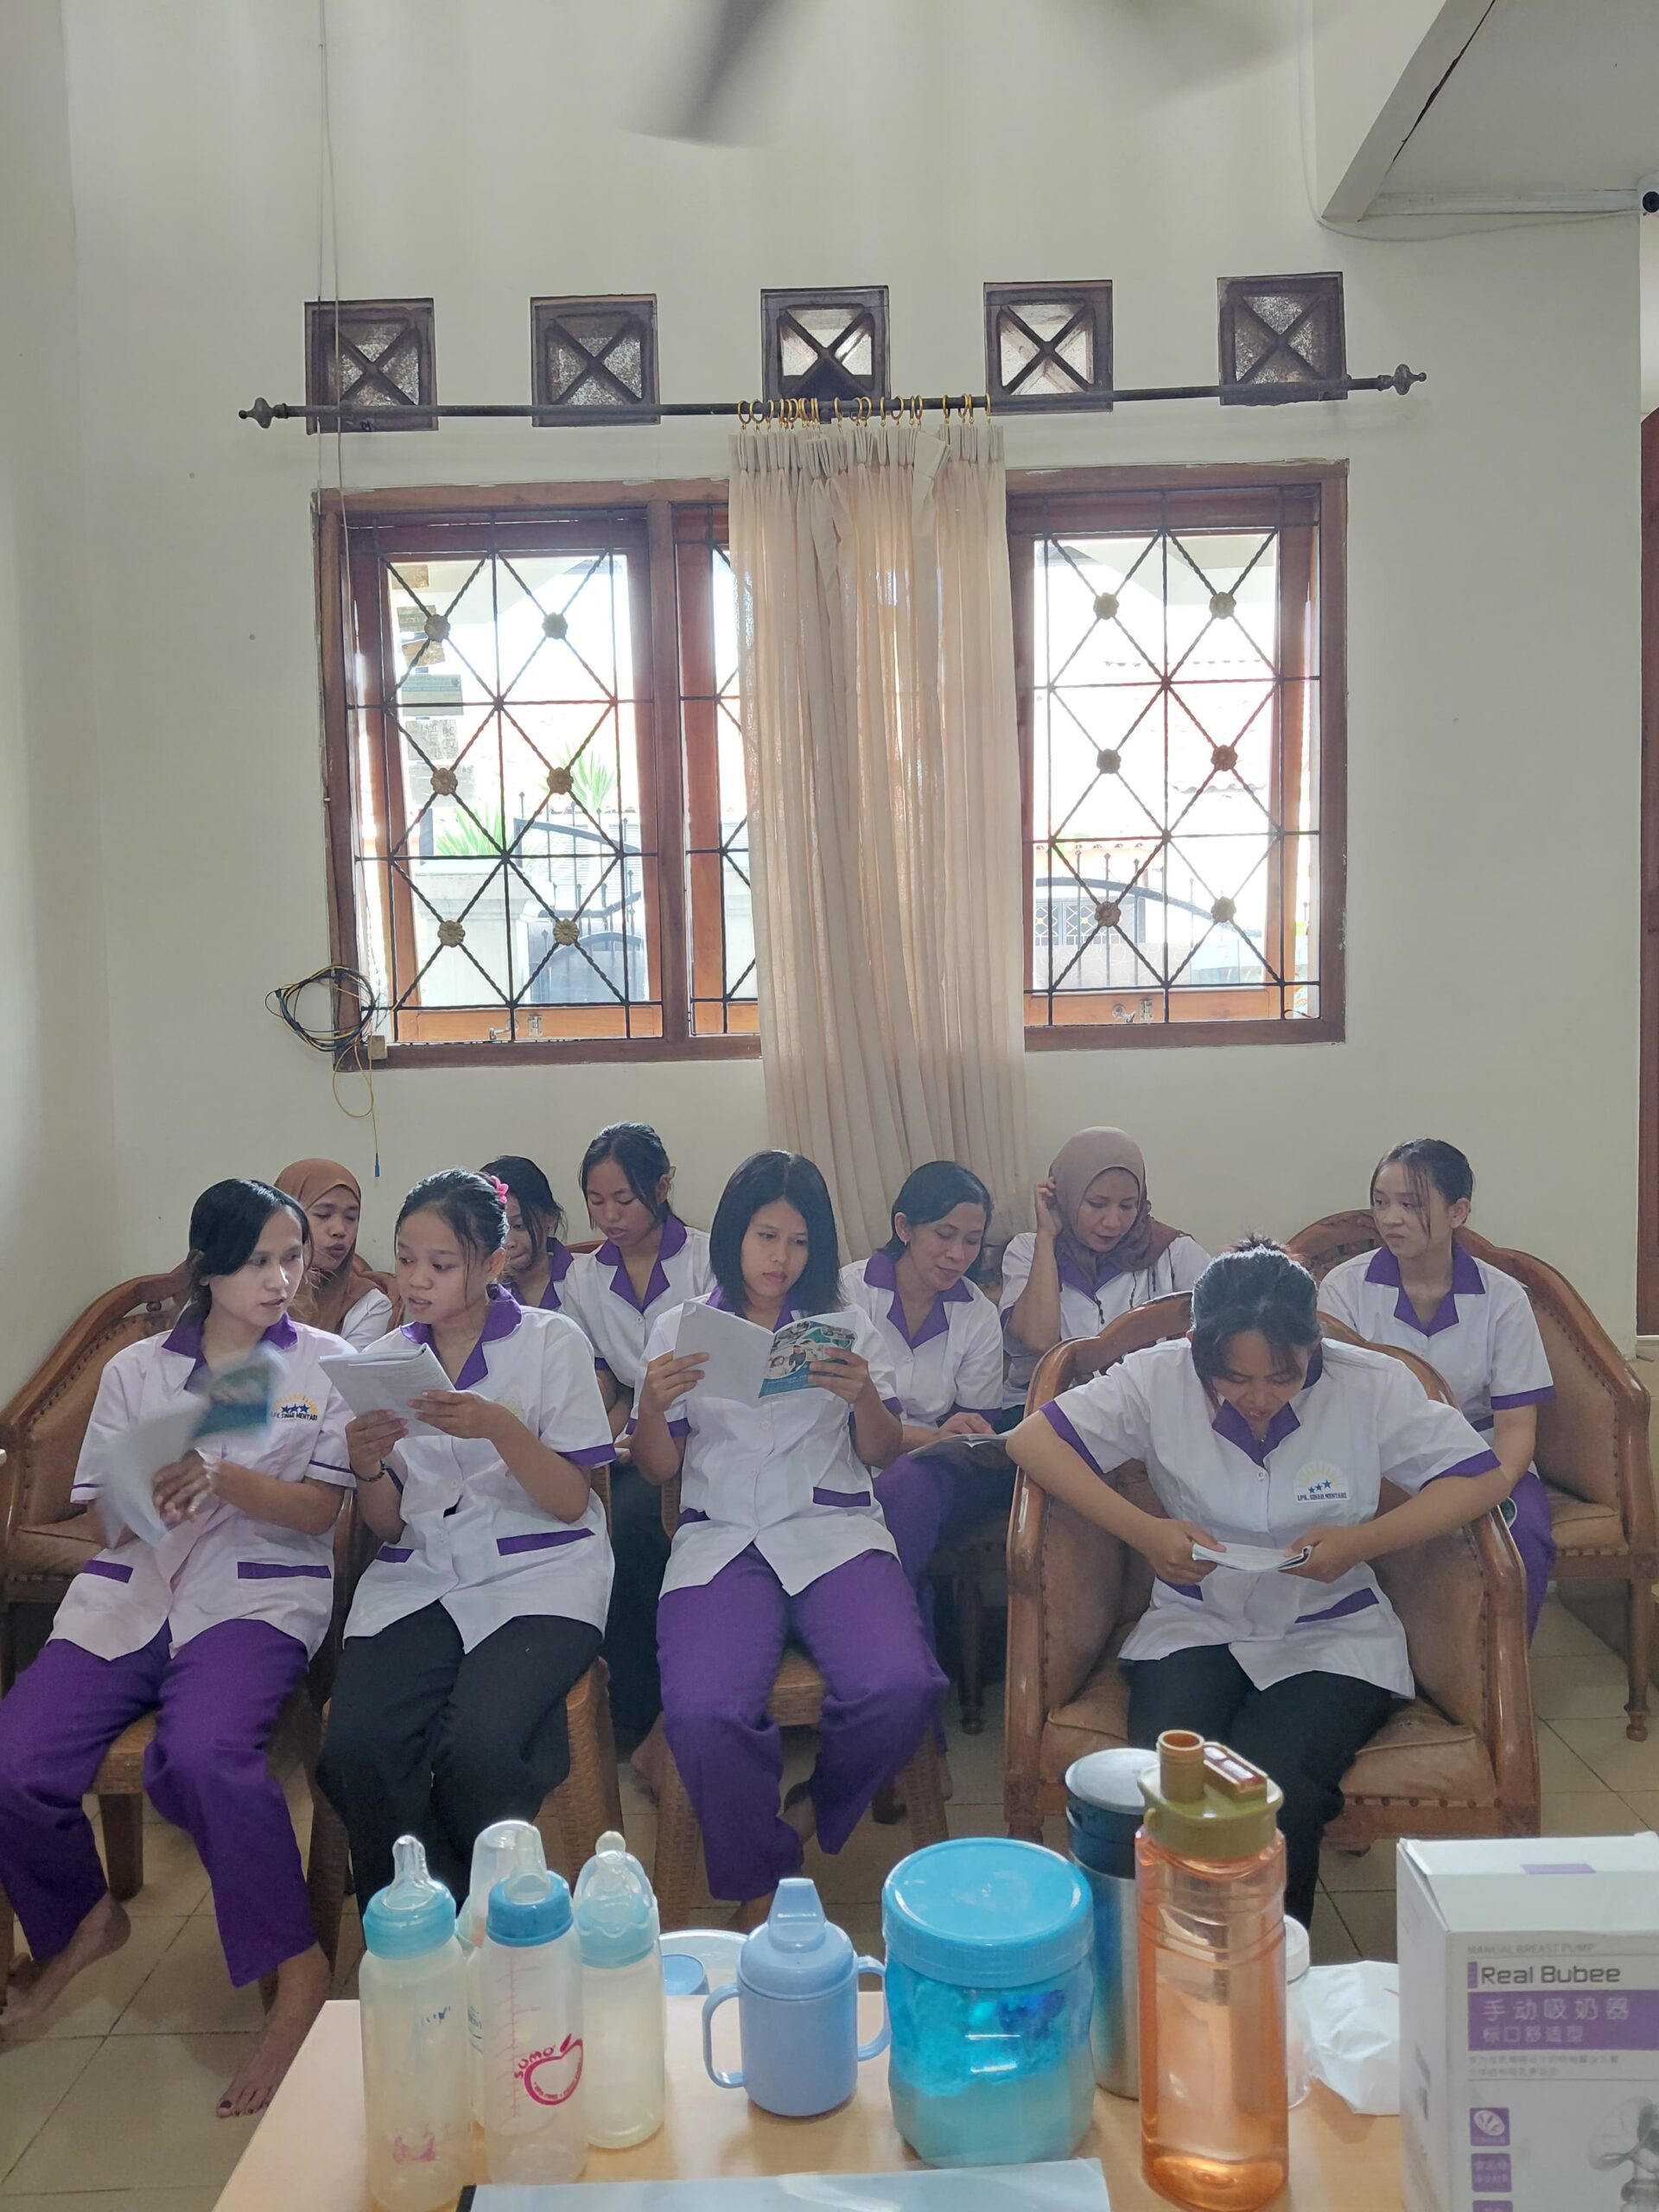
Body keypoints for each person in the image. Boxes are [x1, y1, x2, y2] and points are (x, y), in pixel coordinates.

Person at [1004, 1241, 1508, 1925]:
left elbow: (1479, 1477)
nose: (1260, 1397)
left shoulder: (1370, 1385)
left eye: (1283, 1375)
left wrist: (1361, 1543)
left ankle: (1270, 1966)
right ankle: (1172, 1954)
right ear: (1197, 1350)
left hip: (1330, 1629)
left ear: (1314, 1345)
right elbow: (1031, 1442)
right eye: (1235, 1379)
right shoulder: (1157, 1377)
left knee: (1277, 1790)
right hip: (1197, 1620)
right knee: (1174, 1780)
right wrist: (1145, 1532)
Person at [0, 1179, 353, 2116]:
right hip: (133, 1592)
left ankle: (297, 1969)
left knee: (202, 1757)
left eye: (291, 1257)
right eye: (259, 1262)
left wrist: (223, 1477)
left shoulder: (325, 1364)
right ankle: (83, 1919)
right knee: (13, 1761)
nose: (282, 1279)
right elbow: (104, 1521)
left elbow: (320, 1511)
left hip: (255, 1591)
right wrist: (142, 1491)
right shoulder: (137, 1370)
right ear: (207, 1269)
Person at [630, 1150, 945, 1926]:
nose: (781, 1259)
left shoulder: (847, 1326)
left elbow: (881, 1452)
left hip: (831, 1530)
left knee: (902, 1688)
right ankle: (762, 1879)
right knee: (703, 1713)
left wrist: (864, 1396)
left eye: (799, 1242)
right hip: (723, 1539)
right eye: (766, 1237)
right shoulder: (681, 1328)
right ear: (735, 1236)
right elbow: (657, 1466)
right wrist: (651, 1406)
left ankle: (813, 1804)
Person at [316, 1170, 614, 1911]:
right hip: (422, 1574)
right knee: (358, 1748)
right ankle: (423, 1925)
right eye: (405, 1258)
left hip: (541, 1576)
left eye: (441, 1264)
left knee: (479, 1748)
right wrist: (367, 1464)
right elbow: (390, 1524)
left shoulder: (551, 1343)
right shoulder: (385, 1361)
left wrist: (501, 1430)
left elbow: (571, 1501)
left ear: (492, 1263)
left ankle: (464, 1918)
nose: (416, 1280)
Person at [1316, 1138, 1556, 1636]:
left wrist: (1490, 1488)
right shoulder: (1344, 1288)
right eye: (1381, 1202)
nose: (1391, 1219)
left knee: (1523, 1537)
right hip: (1376, 1461)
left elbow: (1516, 1427)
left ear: (1458, 1212)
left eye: (1411, 1204)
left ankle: (1502, 1675)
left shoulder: (1503, 1298)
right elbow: (1330, 1407)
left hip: (1482, 1456)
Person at [562, 1123, 713, 1774]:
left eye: (623, 1200)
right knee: (607, 1525)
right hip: (639, 1436)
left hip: (708, 1432)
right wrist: (608, 1435)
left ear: (662, 1187)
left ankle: (669, 1710)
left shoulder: (708, 1258)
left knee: (645, 1525)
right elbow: (601, 1374)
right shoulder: (584, 1277)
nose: (610, 1217)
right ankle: (633, 1708)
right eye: (596, 1202)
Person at [1001, 1128, 1209, 1411]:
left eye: (1127, 1206)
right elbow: (1040, 1340)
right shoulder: (1028, 1250)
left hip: (1143, 1410)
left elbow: (1229, 1321)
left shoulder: (1172, 1251)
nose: (1112, 1222)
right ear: (1066, 1196)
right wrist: (1047, 1236)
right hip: (1042, 1410)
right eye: (1096, 1205)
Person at [276, 1158, 396, 1349]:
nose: (340, 1230)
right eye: (323, 1215)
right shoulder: (251, 1287)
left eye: (351, 1217)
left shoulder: (367, 1305)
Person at [480, 1154, 574, 1313]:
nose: (507, 1242)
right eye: (496, 1231)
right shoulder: (480, 1292)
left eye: (519, 1226)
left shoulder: (583, 1277)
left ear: (549, 1217)